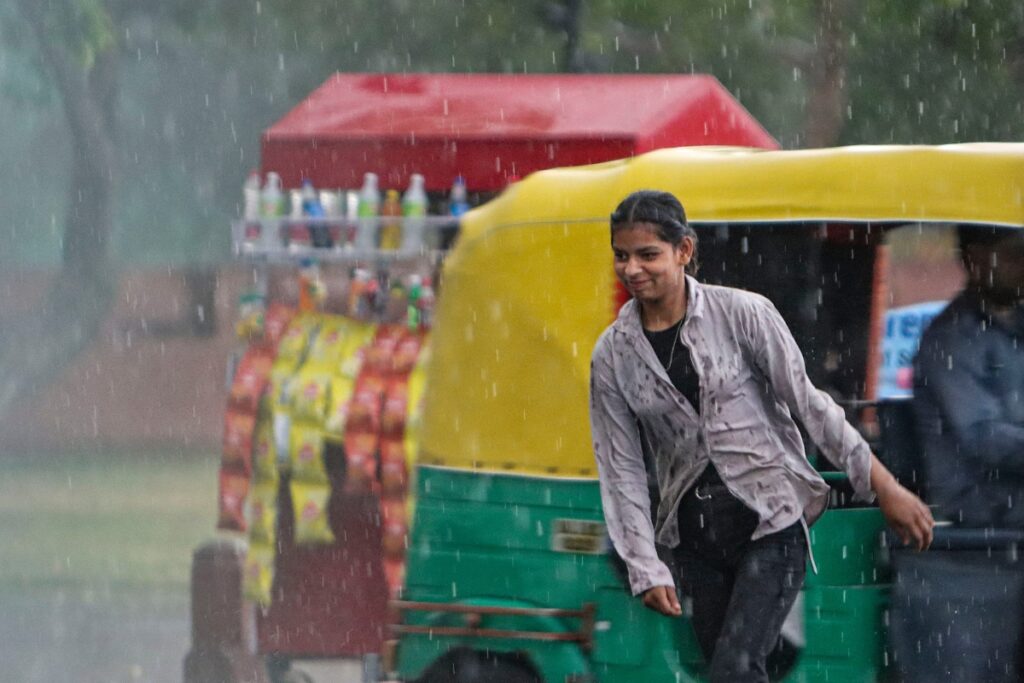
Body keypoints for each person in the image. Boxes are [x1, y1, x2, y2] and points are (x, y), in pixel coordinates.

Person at [588, 190, 933, 682]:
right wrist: (645, 565)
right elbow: (619, 467)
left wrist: (884, 486)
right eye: (622, 256)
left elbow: (811, 406)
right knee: (730, 673)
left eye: (648, 255)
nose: (633, 269)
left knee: (736, 669)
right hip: (693, 536)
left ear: (684, 251)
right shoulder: (613, 355)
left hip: (771, 519)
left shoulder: (743, 314)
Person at [913, 226, 1024, 527]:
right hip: (983, 501)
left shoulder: (1015, 326)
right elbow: (980, 436)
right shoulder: (951, 339)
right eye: (1016, 254)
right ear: (977, 259)